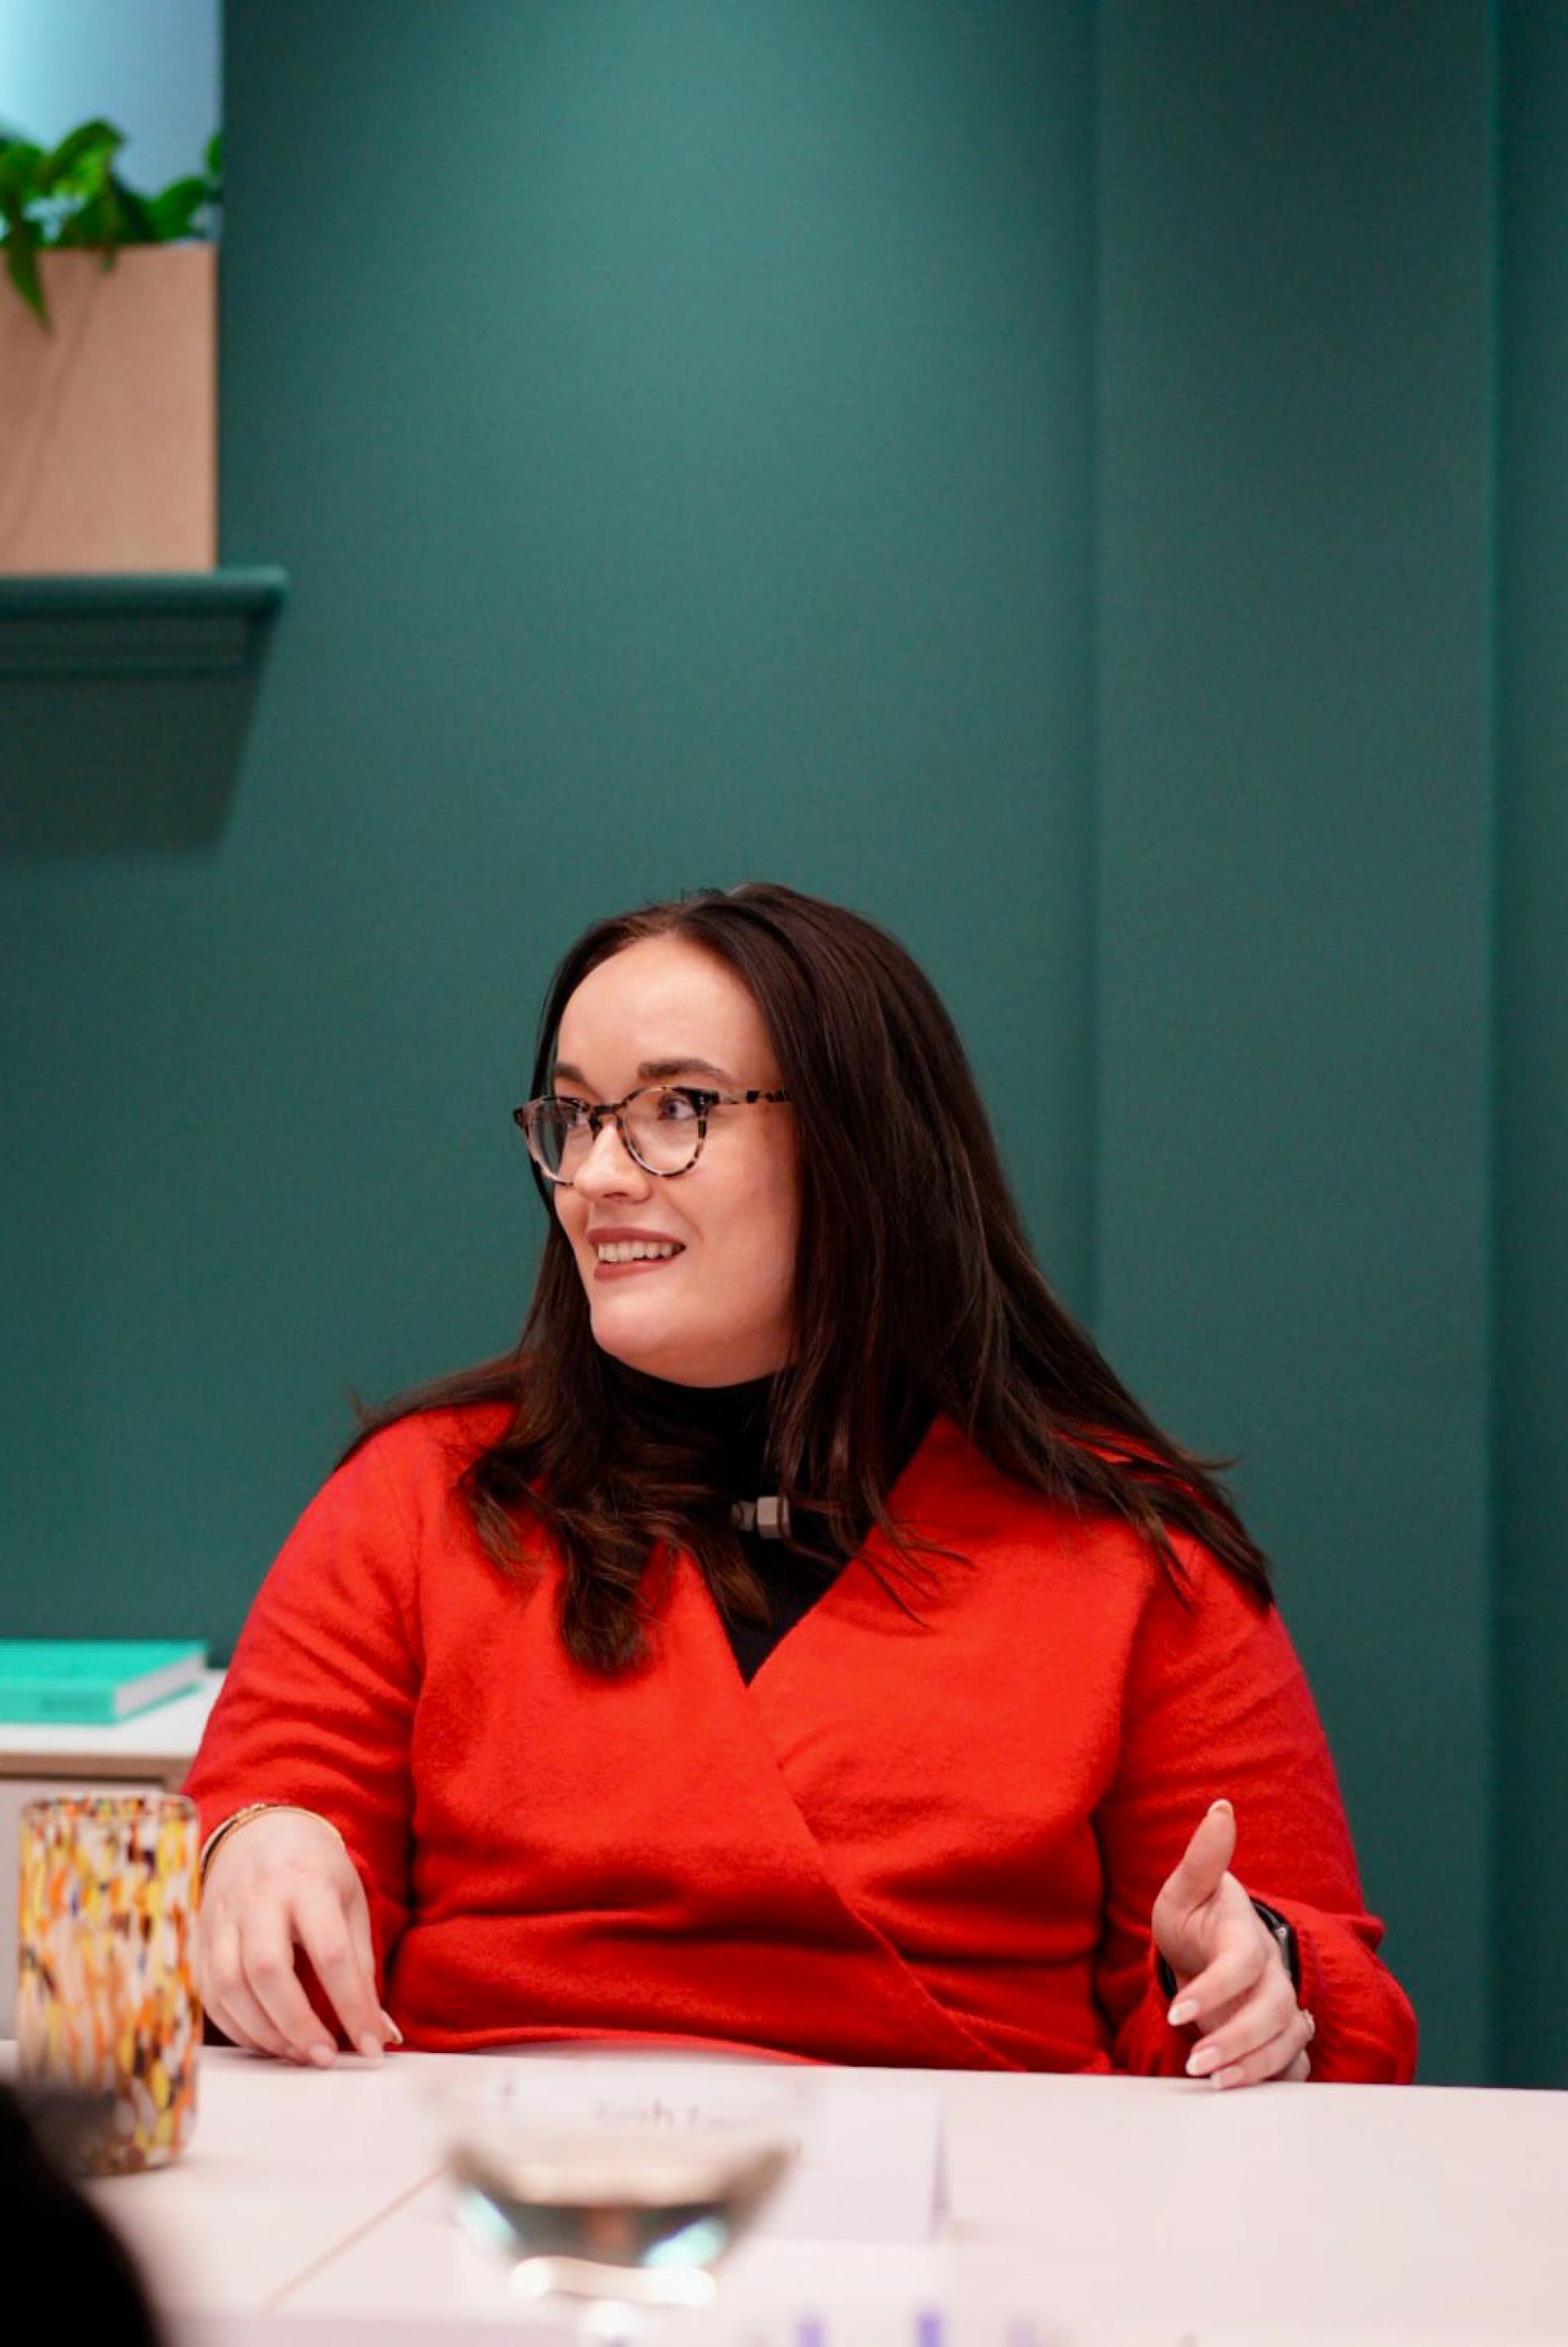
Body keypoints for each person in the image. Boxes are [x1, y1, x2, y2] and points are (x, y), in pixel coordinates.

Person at [185, 882, 1416, 2086]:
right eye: (573, 1118)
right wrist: (257, 1850)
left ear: (859, 1143)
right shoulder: (422, 1493)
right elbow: (248, 1817)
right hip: (493, 2200)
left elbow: (1324, 1994)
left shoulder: (1128, 1550)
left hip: (967, 2232)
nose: (598, 1174)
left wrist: (1263, 1987)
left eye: (676, 1108)